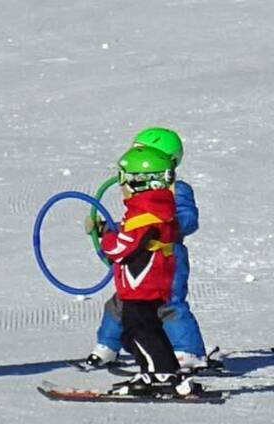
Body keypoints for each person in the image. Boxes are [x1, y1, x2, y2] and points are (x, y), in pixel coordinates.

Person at [86, 128, 208, 370]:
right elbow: (136, 227)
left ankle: (188, 351)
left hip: (166, 256)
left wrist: (165, 227)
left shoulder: (175, 189)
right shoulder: (140, 191)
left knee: (169, 304)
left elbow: (187, 220)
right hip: (138, 256)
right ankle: (107, 346)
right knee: (122, 302)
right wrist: (105, 229)